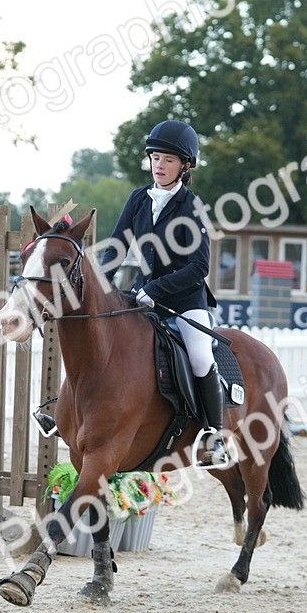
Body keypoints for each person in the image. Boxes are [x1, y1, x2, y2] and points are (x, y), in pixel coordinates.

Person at [98, 119, 227, 466]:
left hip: (185, 301)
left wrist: (155, 289)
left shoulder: (191, 205)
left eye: (168, 159)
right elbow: (116, 247)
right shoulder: (138, 199)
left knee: (201, 356)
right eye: (155, 157)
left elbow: (199, 267)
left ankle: (215, 436)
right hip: (142, 298)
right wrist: (100, 278)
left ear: (185, 165)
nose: (159, 165)